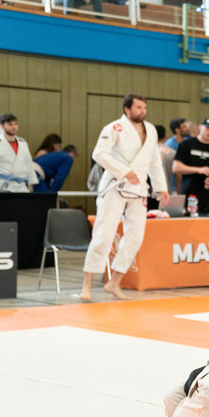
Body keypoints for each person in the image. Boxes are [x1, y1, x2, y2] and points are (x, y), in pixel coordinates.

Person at [80, 94, 170, 301]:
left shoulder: (151, 130)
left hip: (139, 189)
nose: (142, 111)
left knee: (135, 238)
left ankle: (114, 283)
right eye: (138, 107)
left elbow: (155, 161)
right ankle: (86, 285)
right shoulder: (114, 128)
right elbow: (99, 154)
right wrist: (123, 171)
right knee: (104, 235)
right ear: (127, 109)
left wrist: (161, 188)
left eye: (144, 107)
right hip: (115, 185)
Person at [173, 119, 209, 214]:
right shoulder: (187, 144)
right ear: (200, 127)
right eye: (208, 128)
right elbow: (176, 167)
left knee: (207, 221)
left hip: (208, 196)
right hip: (190, 193)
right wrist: (198, 170)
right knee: (190, 218)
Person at [0, 113, 37, 192]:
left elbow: (29, 165)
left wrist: (31, 186)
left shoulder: (23, 143)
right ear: (1, 126)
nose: (14, 127)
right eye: (10, 124)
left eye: (15, 124)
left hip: (22, 187)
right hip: (1, 186)